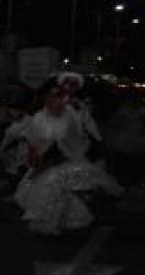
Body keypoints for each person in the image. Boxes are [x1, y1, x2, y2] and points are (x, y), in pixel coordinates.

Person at [14, 82, 122, 235]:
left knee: (66, 193)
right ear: (46, 98)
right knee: (38, 194)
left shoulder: (71, 113)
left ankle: (65, 223)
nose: (60, 99)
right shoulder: (38, 118)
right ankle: (54, 224)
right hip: (47, 162)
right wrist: (33, 161)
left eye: (61, 95)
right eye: (55, 95)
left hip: (71, 160)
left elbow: (78, 134)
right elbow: (34, 143)